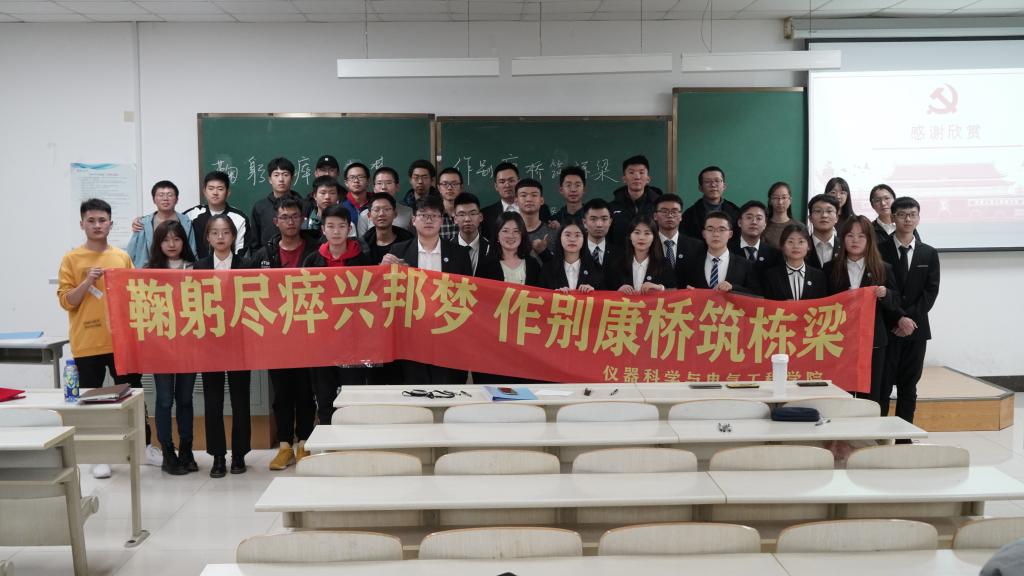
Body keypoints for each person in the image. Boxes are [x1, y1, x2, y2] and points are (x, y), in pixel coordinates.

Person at [58, 198, 156, 478]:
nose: (97, 225)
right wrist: (87, 281)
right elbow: (67, 301)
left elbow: (134, 294)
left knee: (134, 394)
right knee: (91, 400)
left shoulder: (121, 257)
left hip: (121, 341)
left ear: (111, 224)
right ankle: (98, 455)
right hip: (87, 342)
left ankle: (145, 447)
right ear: (82, 224)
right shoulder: (71, 259)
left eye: (102, 220)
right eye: (91, 221)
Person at [251, 196, 319, 471]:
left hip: (308, 332)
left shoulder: (316, 250)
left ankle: (304, 443)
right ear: (275, 221)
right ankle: (283, 446)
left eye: (294, 216)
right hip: (276, 335)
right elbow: (247, 288)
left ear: (302, 219)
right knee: (281, 394)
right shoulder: (263, 255)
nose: (290, 222)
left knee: (305, 392)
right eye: (284, 217)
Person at [383, 195, 473, 385]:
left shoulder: (459, 254)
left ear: (442, 220)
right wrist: (383, 269)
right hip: (411, 334)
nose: (429, 220)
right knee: (415, 388)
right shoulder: (398, 251)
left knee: (447, 387)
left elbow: (468, 295)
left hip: (447, 333)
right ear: (413, 220)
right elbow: (386, 293)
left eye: (434, 215)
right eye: (423, 215)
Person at [194, 214, 252, 478]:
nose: (220, 237)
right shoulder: (200, 267)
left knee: (240, 400)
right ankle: (218, 456)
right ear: (207, 237)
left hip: (239, 342)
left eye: (226, 232)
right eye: (215, 233)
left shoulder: (246, 265)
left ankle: (239, 454)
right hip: (210, 343)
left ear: (233, 237)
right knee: (213, 400)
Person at [303, 204, 371, 426]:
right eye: (330, 226)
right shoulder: (312, 260)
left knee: (353, 395)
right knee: (324, 396)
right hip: (321, 340)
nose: (336, 231)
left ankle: (352, 440)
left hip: (354, 339)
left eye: (341, 226)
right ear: (323, 229)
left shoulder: (363, 259)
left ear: (349, 228)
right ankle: (327, 438)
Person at [824, 215, 900, 407]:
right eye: (850, 235)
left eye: (861, 236)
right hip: (838, 340)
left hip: (873, 341)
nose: (855, 240)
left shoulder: (882, 268)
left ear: (869, 239)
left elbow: (896, 302)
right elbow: (822, 303)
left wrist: (886, 294)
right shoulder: (830, 268)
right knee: (841, 392)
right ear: (843, 239)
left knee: (871, 392)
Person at [879, 197, 940, 426]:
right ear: (893, 218)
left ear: (918, 218)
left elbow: (930, 292)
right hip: (887, 328)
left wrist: (908, 319)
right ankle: (879, 436)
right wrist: (898, 318)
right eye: (902, 214)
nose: (908, 219)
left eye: (912, 214)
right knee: (883, 385)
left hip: (916, 330)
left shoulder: (929, 253)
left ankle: (904, 437)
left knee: (909, 386)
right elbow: (878, 289)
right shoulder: (879, 250)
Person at [145, 220, 198, 476]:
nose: (172, 244)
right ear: (158, 243)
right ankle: (168, 451)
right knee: (165, 399)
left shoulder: (195, 267)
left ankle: (187, 450)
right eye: (166, 240)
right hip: (161, 345)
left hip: (189, 343)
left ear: (183, 241)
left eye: (176, 239)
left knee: (185, 399)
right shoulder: (149, 271)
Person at [684, 211, 761, 295]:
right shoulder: (691, 264)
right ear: (704, 234)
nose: (716, 234)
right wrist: (686, 291)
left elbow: (756, 295)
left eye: (721, 230)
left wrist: (733, 288)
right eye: (710, 229)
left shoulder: (745, 265)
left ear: (730, 234)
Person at [184, 170, 254, 259]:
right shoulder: (191, 215)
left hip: (230, 266)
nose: (215, 193)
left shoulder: (240, 219)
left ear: (228, 192)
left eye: (220, 189)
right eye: (211, 188)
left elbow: (241, 252)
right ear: (204, 192)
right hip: (197, 266)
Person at [127, 180, 196, 268]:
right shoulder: (143, 223)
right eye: (161, 195)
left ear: (177, 199)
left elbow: (192, 250)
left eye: (170, 195)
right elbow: (131, 252)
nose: (165, 198)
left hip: (180, 270)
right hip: (147, 272)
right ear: (154, 199)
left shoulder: (186, 222)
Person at [607, 215, 676, 294]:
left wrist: (660, 288)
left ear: (654, 237)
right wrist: (618, 291)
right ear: (630, 236)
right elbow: (606, 292)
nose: (641, 237)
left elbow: (674, 292)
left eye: (647, 233)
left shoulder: (663, 263)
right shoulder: (618, 263)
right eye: (637, 233)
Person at [762, 223, 828, 301]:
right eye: (790, 242)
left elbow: (823, 304)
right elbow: (767, 305)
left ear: (808, 246)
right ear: (782, 246)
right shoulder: (771, 276)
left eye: (801, 242)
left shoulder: (819, 276)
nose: (796, 246)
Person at [477, 211, 542, 287]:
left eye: (516, 231)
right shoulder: (485, 265)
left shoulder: (533, 264)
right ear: (497, 235)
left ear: (522, 235)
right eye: (505, 231)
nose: (511, 236)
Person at [609, 155, 662, 245]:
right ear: (624, 179)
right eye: (631, 172)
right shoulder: (612, 207)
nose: (637, 177)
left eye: (641, 172)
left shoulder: (659, 206)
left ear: (648, 179)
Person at [653, 194, 702, 289]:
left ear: (681, 216)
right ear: (655, 216)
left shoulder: (696, 246)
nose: (669, 215)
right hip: (656, 296)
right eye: (664, 211)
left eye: (674, 211)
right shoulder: (648, 244)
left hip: (686, 296)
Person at [251, 157, 302, 246]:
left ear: (292, 178)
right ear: (270, 179)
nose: (281, 179)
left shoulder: (304, 205)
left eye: (285, 175)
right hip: (267, 254)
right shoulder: (259, 207)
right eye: (276, 175)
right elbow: (254, 242)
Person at [540, 222, 603, 292]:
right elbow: (539, 295)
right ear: (560, 238)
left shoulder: (596, 268)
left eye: (577, 235)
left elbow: (606, 295)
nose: (572, 239)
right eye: (567, 235)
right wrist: (553, 294)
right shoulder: (547, 269)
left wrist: (594, 292)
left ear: (584, 239)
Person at [681, 166, 740, 240]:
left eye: (717, 181)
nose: (713, 185)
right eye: (707, 181)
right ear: (700, 188)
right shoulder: (689, 215)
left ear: (724, 186)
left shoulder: (735, 212)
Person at [729, 200, 783, 283]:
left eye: (759, 218)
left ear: (765, 224)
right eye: (749, 217)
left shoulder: (774, 255)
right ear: (739, 222)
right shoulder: (728, 250)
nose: (754, 222)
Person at [357, 166, 413, 235]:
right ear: (374, 188)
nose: (383, 187)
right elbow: (362, 241)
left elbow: (416, 239)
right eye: (379, 183)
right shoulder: (365, 215)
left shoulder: (409, 212)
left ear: (397, 187)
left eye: (388, 183)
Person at [362, 192, 414, 264]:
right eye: (376, 210)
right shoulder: (363, 245)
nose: (381, 214)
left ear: (395, 214)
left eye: (386, 209)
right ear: (369, 216)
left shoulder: (409, 242)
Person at [515, 178, 558, 265]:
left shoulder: (554, 232)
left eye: (534, 195)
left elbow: (561, 267)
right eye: (523, 195)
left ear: (541, 201)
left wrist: (544, 252)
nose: (529, 199)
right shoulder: (509, 234)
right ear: (516, 201)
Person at [454, 192, 493, 275]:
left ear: (480, 217)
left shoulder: (492, 249)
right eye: (462, 214)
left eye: (472, 213)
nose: (467, 219)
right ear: (455, 219)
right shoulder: (446, 249)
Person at [480, 161, 520, 242]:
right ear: (496, 186)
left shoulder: (540, 210)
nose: (507, 185)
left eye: (511, 180)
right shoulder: (485, 215)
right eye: (502, 182)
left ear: (519, 182)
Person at [805, 194, 841, 270]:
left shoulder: (844, 246)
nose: (824, 215)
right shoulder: (801, 247)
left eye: (829, 211)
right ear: (810, 218)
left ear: (837, 218)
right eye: (818, 211)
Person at [582, 198, 615, 277]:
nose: (599, 224)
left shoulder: (620, 255)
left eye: (604, 219)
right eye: (593, 219)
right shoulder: (575, 252)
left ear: (610, 222)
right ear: (584, 222)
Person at [764, 181, 796, 248]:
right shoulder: (763, 227)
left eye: (784, 197)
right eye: (776, 198)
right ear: (770, 201)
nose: (780, 202)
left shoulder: (799, 227)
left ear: (790, 200)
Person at [437, 167, 463, 241]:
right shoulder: (433, 217)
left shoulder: (468, 216)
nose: (449, 188)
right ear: (439, 188)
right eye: (445, 184)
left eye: (454, 184)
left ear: (461, 187)